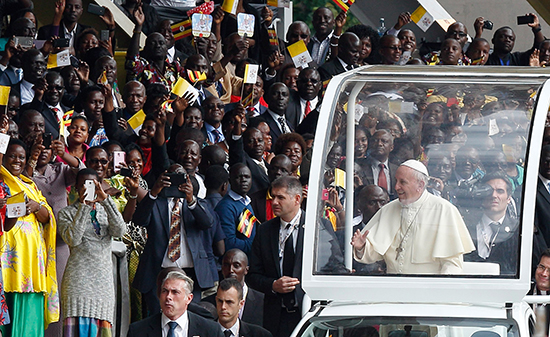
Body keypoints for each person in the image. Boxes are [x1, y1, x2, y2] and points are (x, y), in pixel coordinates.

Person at [351, 160, 475, 274]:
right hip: (393, 290)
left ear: (420, 185)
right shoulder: (389, 209)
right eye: (396, 181)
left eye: (402, 182)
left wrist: (441, 291)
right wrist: (362, 247)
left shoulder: (444, 210)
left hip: (427, 292)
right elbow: (374, 254)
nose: (396, 187)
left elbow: (452, 265)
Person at [132, 166, 216, 314]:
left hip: (190, 275)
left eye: (181, 177)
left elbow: (207, 223)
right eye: (172, 177)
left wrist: (190, 199)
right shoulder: (156, 202)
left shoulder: (197, 203)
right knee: (157, 322)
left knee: (188, 321)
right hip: (158, 274)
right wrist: (154, 192)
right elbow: (139, 220)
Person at [0, 139, 59, 336]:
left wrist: (37, 207)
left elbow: (48, 218)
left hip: (32, 264)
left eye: (21, 157)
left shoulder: (30, 185)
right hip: (9, 263)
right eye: (12, 156)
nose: (17, 161)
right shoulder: (1, 181)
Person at [58, 168, 126, 335]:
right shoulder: (66, 213)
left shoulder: (106, 211)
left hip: (103, 285)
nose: (87, 189)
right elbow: (73, 239)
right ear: (75, 188)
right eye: (83, 185)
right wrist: (83, 207)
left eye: (92, 185)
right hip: (77, 284)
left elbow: (120, 231)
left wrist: (106, 200)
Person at [248, 176, 306, 337]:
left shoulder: (317, 226)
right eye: (273, 196)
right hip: (275, 315)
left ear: (297, 199)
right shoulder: (264, 230)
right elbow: (253, 276)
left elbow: (329, 266)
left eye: (280, 197)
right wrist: (273, 285)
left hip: (307, 312)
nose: (274, 202)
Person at [127, 271, 223, 337]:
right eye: (164, 291)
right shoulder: (138, 331)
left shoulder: (210, 331)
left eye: (175, 292)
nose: (168, 297)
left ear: (188, 298)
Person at [464, 172, 519, 275]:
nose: (494, 195)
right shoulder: (466, 227)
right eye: (489, 191)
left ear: (509, 198)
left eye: (500, 191)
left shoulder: (517, 230)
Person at [215, 164, 258, 255]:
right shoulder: (225, 206)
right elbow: (229, 243)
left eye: (247, 177)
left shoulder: (247, 203)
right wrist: (257, 246)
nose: (243, 180)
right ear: (230, 181)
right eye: (239, 177)